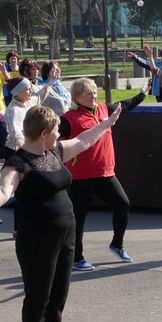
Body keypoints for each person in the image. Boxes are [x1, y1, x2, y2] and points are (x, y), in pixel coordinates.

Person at [0, 104, 121, 322]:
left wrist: (108, 122)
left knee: (58, 295)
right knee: (38, 297)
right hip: (37, 239)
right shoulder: (18, 163)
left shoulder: (54, 151)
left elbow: (85, 139)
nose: (59, 132)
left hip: (66, 234)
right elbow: (4, 189)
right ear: (44, 133)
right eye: (56, 129)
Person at [59, 78, 149, 271]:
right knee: (79, 217)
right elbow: (55, 142)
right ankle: (77, 258)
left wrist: (142, 93)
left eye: (94, 92)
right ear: (77, 97)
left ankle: (117, 244)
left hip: (105, 173)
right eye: (88, 93)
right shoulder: (68, 118)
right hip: (81, 176)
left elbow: (125, 105)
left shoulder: (103, 109)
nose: (93, 96)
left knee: (122, 204)